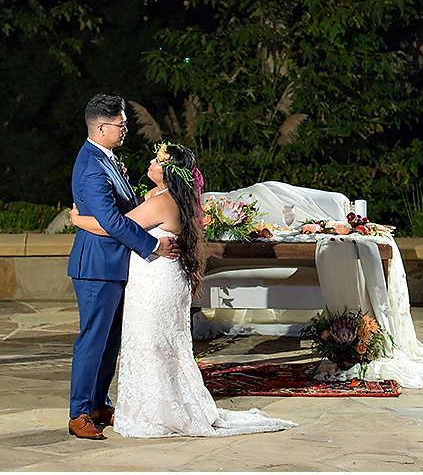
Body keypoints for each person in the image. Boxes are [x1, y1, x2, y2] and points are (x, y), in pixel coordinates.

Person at [71, 142, 297, 437]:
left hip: (156, 282)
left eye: (156, 160)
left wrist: (77, 220)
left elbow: (116, 226)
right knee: (156, 344)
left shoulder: (162, 202)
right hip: (153, 279)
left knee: (152, 344)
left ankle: (158, 409)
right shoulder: (162, 195)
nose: (150, 162)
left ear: (168, 172)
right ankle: (146, 403)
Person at [67, 94, 179, 440]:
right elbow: (113, 222)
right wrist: (153, 245)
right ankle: (79, 413)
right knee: (92, 340)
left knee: (110, 340)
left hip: (114, 265)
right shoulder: (90, 166)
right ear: (101, 128)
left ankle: (100, 402)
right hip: (96, 267)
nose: (125, 129)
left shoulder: (107, 159)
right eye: (120, 124)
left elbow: (125, 209)